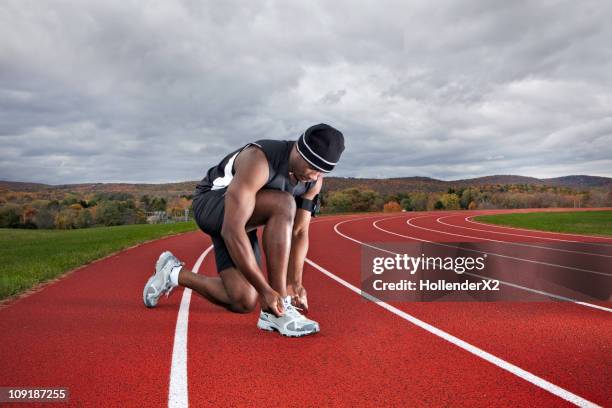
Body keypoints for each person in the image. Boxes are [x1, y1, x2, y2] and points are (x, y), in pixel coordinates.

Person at [143, 124, 345, 337]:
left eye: (323, 171)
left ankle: (173, 273)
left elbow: (299, 231)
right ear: (298, 150)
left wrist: (295, 281)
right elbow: (231, 230)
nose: (315, 176)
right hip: (212, 205)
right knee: (284, 203)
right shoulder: (259, 159)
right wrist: (268, 291)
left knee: (243, 300)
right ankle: (279, 311)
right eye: (312, 167)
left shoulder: (313, 182)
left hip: (243, 218)